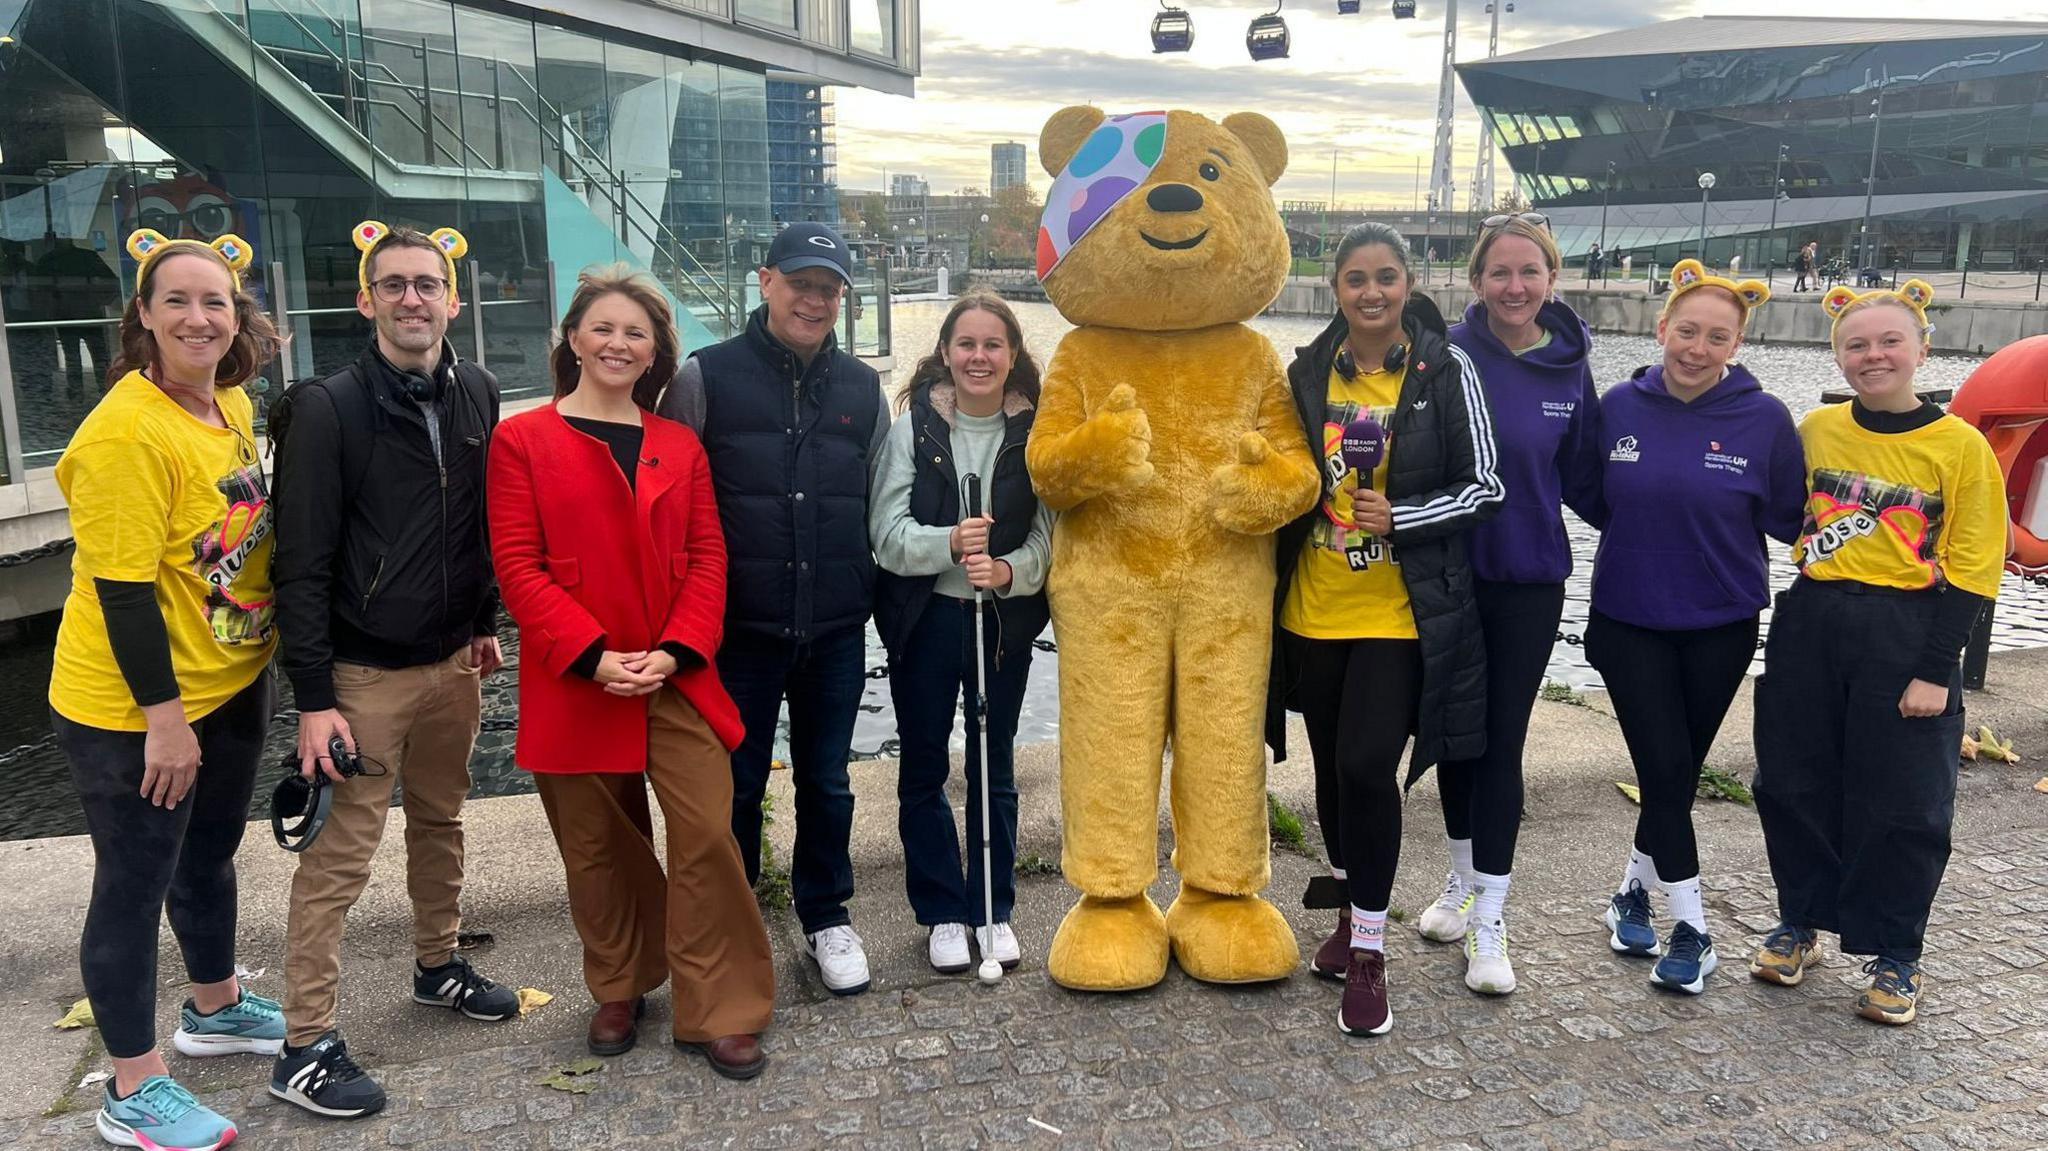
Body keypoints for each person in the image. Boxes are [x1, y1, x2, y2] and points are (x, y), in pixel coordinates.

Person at [492, 266, 776, 1077]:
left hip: (673, 671)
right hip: (576, 673)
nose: (619, 344)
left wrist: (679, 647)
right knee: (596, 844)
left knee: (706, 834)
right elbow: (517, 564)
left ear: (655, 354)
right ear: (574, 339)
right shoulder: (522, 440)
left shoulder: (679, 445)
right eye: (605, 328)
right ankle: (619, 981)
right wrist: (591, 655)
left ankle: (719, 1003)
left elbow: (708, 554)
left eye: (637, 334)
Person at [269, 221, 515, 1119]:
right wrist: (314, 698)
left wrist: (481, 621)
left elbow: (478, 521)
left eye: (428, 284)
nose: (413, 298)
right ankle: (303, 1043)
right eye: (395, 284)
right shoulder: (326, 408)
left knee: (442, 820)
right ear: (366, 299)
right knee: (338, 858)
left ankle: (437, 962)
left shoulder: (478, 389)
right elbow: (300, 565)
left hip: (452, 661)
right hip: (363, 675)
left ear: (454, 299)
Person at [50, 229, 284, 1151]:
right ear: (142, 315)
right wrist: (164, 721)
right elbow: (121, 591)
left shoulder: (228, 401)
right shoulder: (124, 434)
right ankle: (133, 1084)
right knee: (133, 882)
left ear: (236, 315)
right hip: (135, 707)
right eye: (176, 301)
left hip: (226, 680)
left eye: (214, 301)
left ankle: (214, 1005)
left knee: (210, 851)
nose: (198, 318)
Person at [1748, 281, 2005, 1026]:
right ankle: (1801, 918)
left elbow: (1974, 564)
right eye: (1856, 345)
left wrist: (1935, 668)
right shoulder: (1817, 430)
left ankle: (1896, 951)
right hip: (1815, 616)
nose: (1874, 356)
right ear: (1838, 355)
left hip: (1910, 626)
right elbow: (1781, 512)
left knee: (1906, 798)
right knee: (1792, 779)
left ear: (1922, 349)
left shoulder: (1960, 446)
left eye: (1891, 341)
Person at [1269, 222, 1504, 1036]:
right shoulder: (1307, 371)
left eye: (1386, 277)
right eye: (1356, 279)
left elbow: (1485, 486)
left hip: (1399, 612)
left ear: (1409, 283)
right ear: (1336, 289)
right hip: (1314, 606)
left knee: (1370, 766)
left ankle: (1370, 949)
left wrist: (1402, 515)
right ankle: (1346, 908)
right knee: (1333, 772)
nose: (1372, 292)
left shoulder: (1445, 368)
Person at [656, 221, 888, 995]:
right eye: (800, 283)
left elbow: (877, 503)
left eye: (829, 288)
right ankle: (732, 916)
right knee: (735, 783)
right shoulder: (706, 377)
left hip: (834, 625)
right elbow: (671, 505)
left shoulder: (862, 388)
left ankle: (827, 914)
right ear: (765, 282)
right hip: (737, 631)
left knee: (828, 779)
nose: (814, 300)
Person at [1586, 259, 1806, 996]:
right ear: (1662, 329)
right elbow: (1591, 494)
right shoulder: (1619, 405)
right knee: (1663, 770)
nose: (1698, 348)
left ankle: (1631, 894)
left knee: (1673, 776)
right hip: (1628, 618)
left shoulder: (1764, 418)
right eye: (1687, 331)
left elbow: (1792, 517)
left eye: (1717, 336)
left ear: (1737, 345)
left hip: (1721, 623)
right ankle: (1693, 929)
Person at [1424, 214, 1602, 995]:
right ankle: (1463, 881)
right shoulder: (1445, 355)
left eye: (1530, 271)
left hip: (1528, 579)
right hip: (1448, 577)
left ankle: (1492, 915)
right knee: (1452, 738)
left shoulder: (1570, 368)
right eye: (1500, 272)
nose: (1515, 286)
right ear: (1477, 281)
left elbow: (1589, 478)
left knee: (1501, 743)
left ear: (1552, 280)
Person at [870, 292, 1052, 975]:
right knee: (923, 763)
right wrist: (948, 542)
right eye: (966, 344)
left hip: (1000, 622)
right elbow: (886, 535)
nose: (979, 357)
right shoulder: (913, 430)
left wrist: (1007, 571)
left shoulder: (1037, 434)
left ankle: (992, 907)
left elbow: (1049, 539)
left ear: (1013, 355)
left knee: (993, 762)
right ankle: (943, 909)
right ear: (945, 352)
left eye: (992, 344)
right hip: (925, 621)